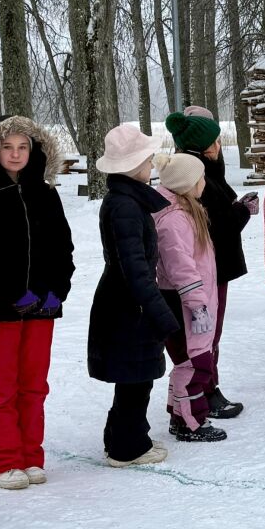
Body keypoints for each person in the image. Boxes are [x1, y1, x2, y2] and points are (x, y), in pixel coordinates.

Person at [0, 116, 74, 490]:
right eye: (7, 147)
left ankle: (30, 455)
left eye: (23, 147)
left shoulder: (46, 192)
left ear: (34, 149)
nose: (15, 154)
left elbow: (62, 248)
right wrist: (11, 294)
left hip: (43, 309)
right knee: (2, 387)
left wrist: (57, 290)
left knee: (34, 385)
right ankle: (4, 460)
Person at [88, 125, 179, 467]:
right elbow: (135, 267)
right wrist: (157, 311)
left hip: (129, 299)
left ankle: (125, 437)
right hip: (128, 303)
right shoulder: (125, 205)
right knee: (134, 376)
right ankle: (127, 448)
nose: (152, 164)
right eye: (147, 158)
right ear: (133, 164)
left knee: (136, 374)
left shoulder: (128, 198)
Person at [165, 109, 253, 419]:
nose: (219, 146)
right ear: (205, 146)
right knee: (205, 335)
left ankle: (203, 391)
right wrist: (242, 211)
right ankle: (206, 393)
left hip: (212, 267)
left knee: (206, 335)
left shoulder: (202, 170)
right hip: (206, 271)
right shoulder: (196, 176)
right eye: (215, 141)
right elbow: (216, 224)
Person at [150, 152, 228, 441]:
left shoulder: (186, 211)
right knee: (195, 365)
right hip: (184, 303)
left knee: (189, 362)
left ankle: (178, 413)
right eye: (200, 178)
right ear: (186, 184)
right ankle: (191, 422)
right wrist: (197, 306)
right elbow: (181, 267)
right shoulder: (173, 221)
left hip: (193, 300)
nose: (204, 183)